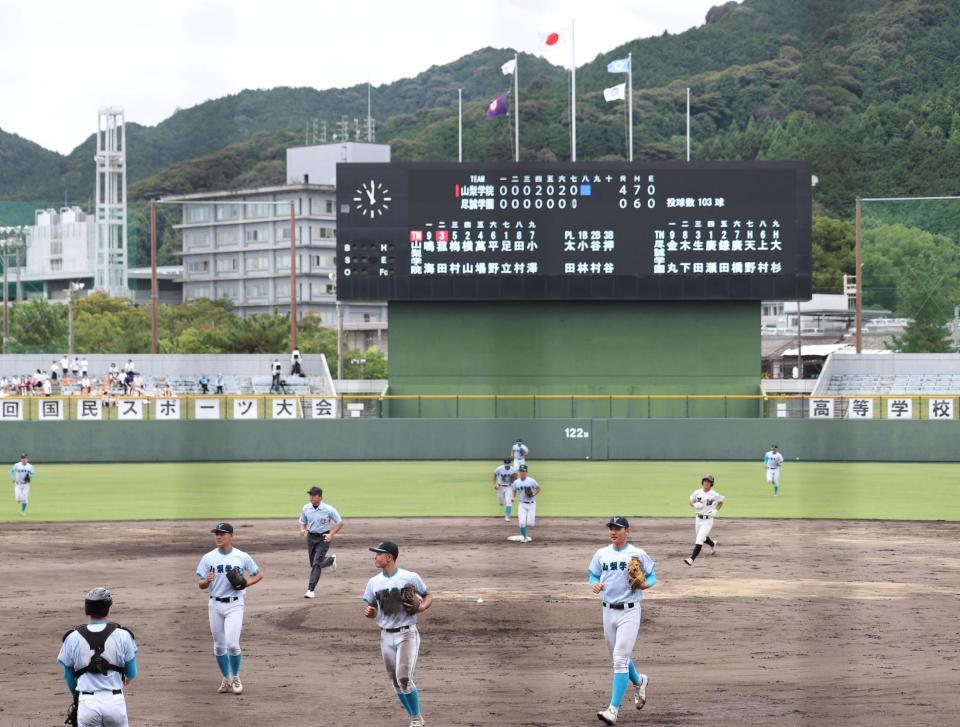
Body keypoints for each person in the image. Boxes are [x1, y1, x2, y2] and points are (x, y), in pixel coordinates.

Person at [588, 516, 656, 725]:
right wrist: (595, 585)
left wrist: (644, 585)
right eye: (611, 529)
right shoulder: (602, 554)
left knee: (619, 659)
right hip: (608, 611)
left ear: (627, 531)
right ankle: (639, 680)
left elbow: (652, 576)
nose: (613, 532)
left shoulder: (637, 553)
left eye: (617, 529)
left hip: (630, 612)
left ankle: (613, 710)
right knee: (617, 657)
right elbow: (593, 574)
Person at [362, 540, 432, 727]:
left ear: (389, 557)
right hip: (386, 635)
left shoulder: (410, 577)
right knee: (395, 681)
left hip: (407, 634)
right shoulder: (373, 582)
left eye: (378, 553)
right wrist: (371, 612)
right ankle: (415, 717)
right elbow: (371, 607)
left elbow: (427, 595)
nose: (375, 557)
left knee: (403, 677)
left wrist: (422, 607)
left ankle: (416, 719)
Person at [196, 522, 263, 695]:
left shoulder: (241, 556)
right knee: (219, 646)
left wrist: (246, 583)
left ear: (231, 536)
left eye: (222, 534)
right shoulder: (208, 558)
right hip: (215, 604)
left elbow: (258, 574)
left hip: (235, 604)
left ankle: (235, 677)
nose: (218, 536)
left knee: (232, 645)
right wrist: (207, 580)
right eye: (216, 534)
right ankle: (226, 679)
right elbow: (200, 585)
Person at [58, 587, 138, 727]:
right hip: (115, 702)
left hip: (87, 703)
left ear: (87, 610)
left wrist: (77, 694)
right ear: (108, 609)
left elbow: (68, 676)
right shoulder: (123, 635)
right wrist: (125, 680)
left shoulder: (72, 637)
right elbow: (132, 672)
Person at [299, 486, 343, 598]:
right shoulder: (306, 508)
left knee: (316, 564)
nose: (311, 497)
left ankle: (310, 590)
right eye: (310, 495)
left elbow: (340, 522)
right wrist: (302, 529)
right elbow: (303, 521)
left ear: (320, 497)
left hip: (323, 538)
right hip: (311, 537)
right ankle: (331, 560)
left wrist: (331, 535)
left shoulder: (328, 509)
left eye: (314, 495)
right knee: (313, 563)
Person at [684, 475, 725, 566]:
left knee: (699, 539)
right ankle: (712, 544)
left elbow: (721, 502)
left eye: (708, 482)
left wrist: (715, 510)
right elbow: (690, 501)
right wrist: (694, 505)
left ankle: (691, 559)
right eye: (705, 481)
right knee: (702, 537)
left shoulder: (714, 494)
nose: (706, 483)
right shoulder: (697, 492)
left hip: (708, 521)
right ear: (702, 482)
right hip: (698, 519)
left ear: (711, 484)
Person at [511, 464, 540, 543]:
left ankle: (531, 521)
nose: (522, 473)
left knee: (530, 524)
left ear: (526, 472)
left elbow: (538, 488)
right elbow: (514, 490)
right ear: (519, 472)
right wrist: (513, 497)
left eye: (523, 471)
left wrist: (533, 494)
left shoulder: (531, 481)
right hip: (522, 504)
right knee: (521, 522)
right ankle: (525, 537)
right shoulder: (516, 482)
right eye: (521, 471)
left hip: (531, 504)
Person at [492, 457, 517, 521]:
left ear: (510, 464)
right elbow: (494, 475)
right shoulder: (499, 469)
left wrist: (514, 491)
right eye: (506, 464)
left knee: (509, 502)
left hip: (509, 487)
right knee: (501, 502)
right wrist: (494, 484)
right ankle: (501, 503)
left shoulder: (513, 470)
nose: (507, 466)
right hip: (500, 487)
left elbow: (515, 479)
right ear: (504, 464)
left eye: (508, 464)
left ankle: (507, 516)